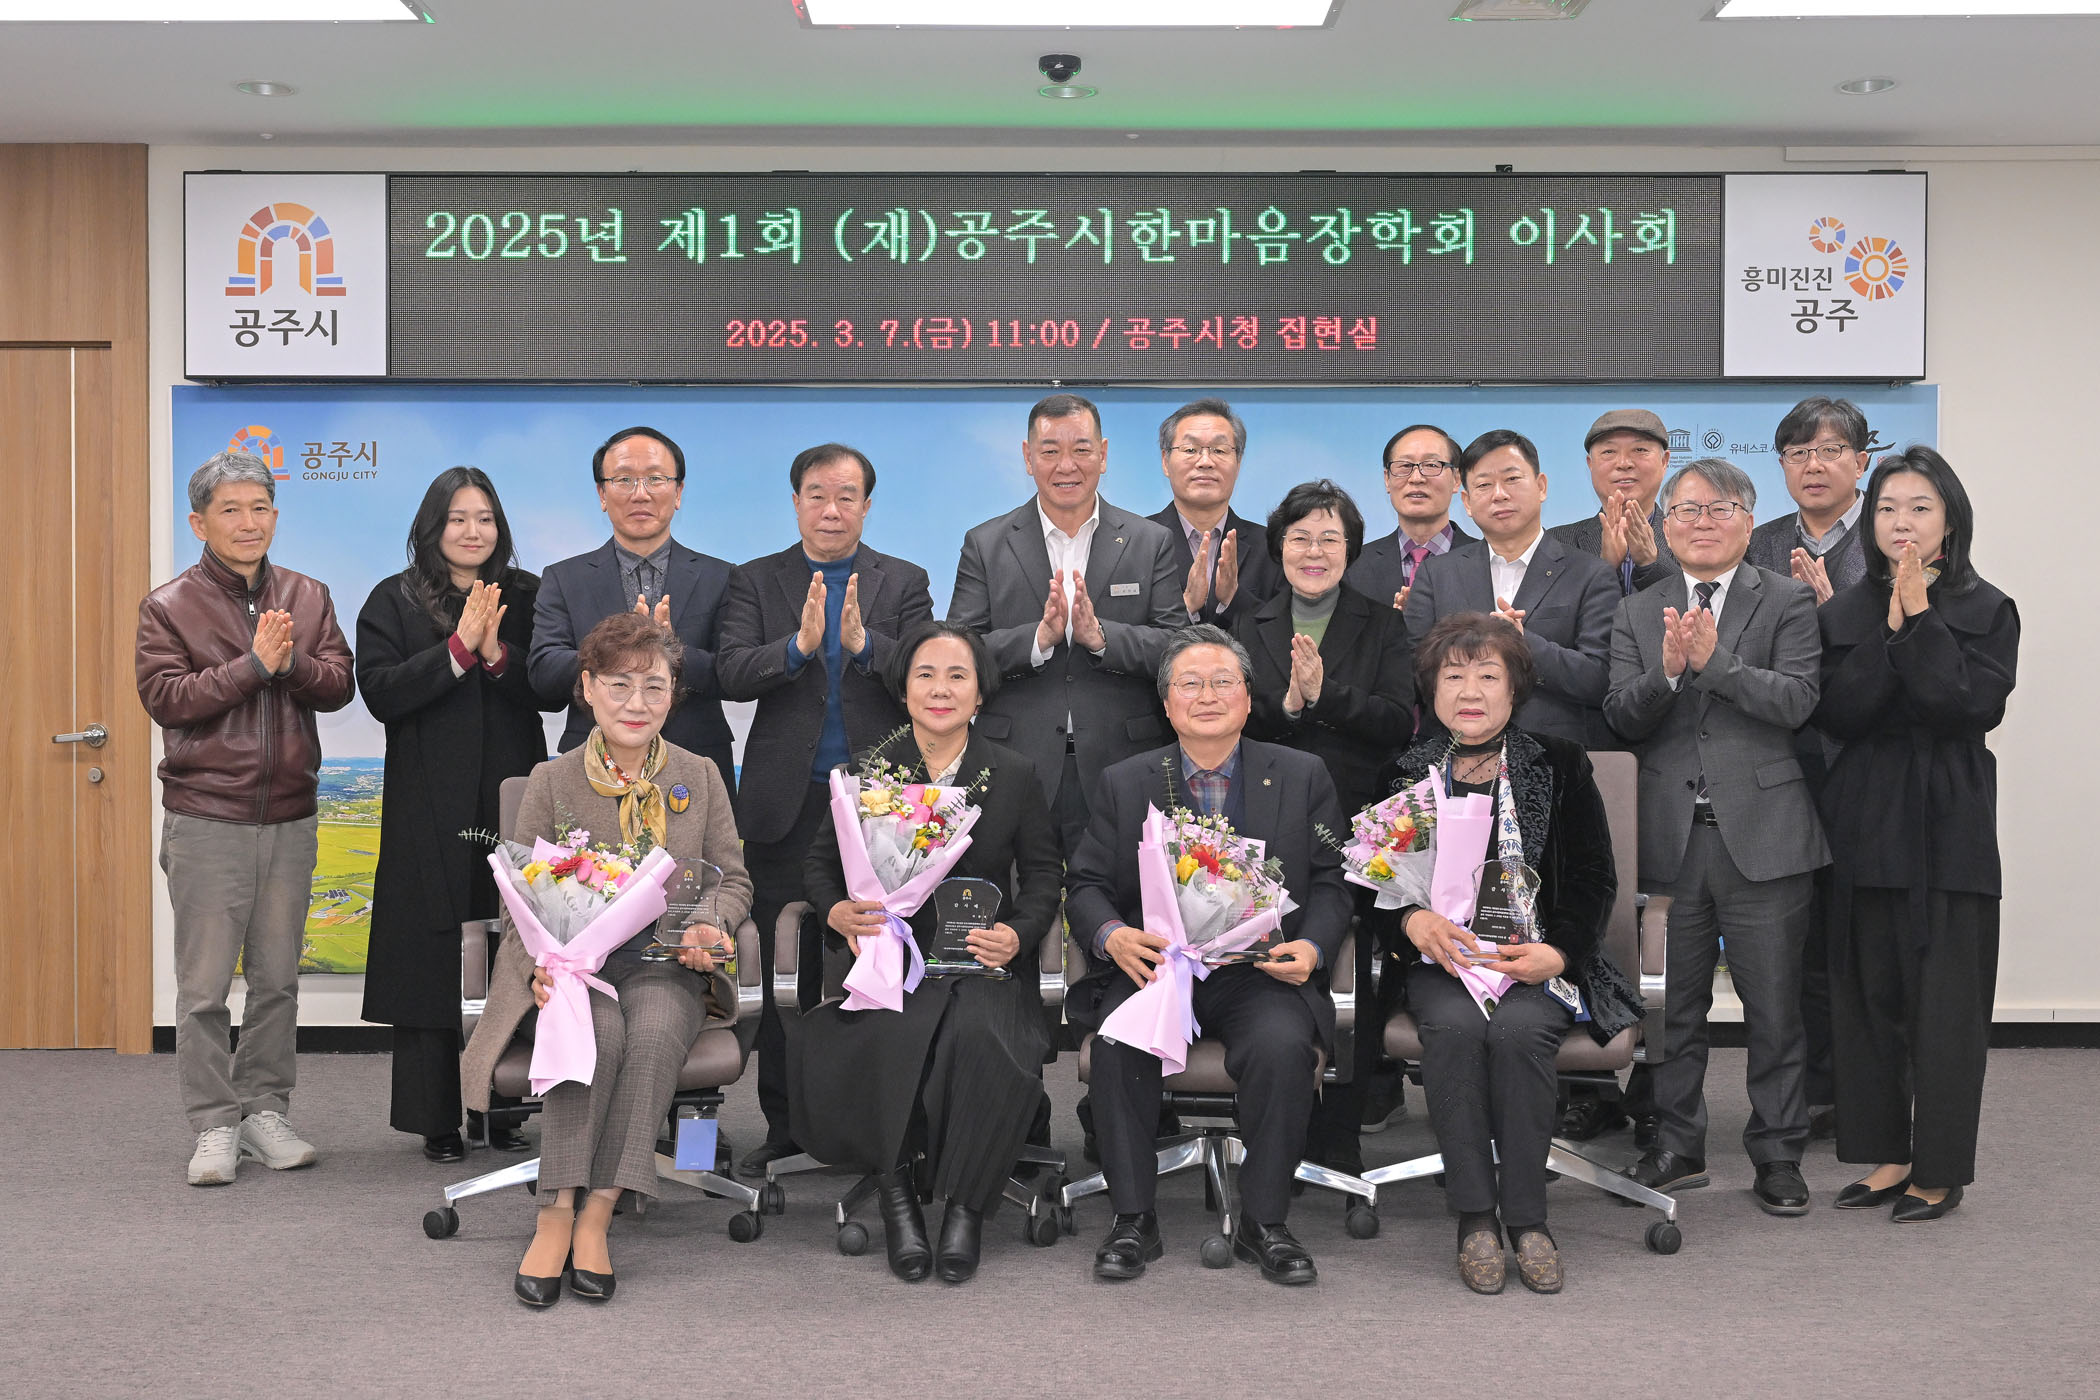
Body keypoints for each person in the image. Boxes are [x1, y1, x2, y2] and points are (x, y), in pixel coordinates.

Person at [461, 613, 751, 1308]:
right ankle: (556, 1211)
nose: (636, 702)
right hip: (574, 970)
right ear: (587, 688)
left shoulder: (700, 774)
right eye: (619, 685)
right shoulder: (552, 780)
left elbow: (733, 880)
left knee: (649, 1033)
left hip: (668, 965)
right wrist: (539, 965)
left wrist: (710, 923)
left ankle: (598, 1212)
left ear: (674, 695)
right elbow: (519, 897)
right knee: (595, 1031)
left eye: (654, 686)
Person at [1067, 626, 1352, 1287]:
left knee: (1282, 1047)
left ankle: (1265, 1222)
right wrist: (1111, 935)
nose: (1206, 696)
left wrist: (1313, 946)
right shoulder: (1123, 782)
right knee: (1118, 1045)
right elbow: (1084, 885)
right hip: (1157, 970)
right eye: (1189, 684)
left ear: (1248, 698)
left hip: (1259, 973)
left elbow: (1334, 880)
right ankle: (1133, 1219)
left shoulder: (1302, 775)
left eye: (1223, 682)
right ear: (1166, 703)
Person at [790, 621, 1064, 1284]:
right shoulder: (867, 772)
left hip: (980, 963)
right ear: (904, 689)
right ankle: (897, 1196)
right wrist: (835, 910)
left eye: (957, 676)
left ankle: (966, 1207)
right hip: (888, 964)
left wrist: (1018, 934)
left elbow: (1044, 875)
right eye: (926, 675)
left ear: (980, 693)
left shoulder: (1014, 773)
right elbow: (820, 867)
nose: (941, 689)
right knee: (890, 1029)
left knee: (979, 1033)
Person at [1384, 613, 1642, 1294]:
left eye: (1487, 675)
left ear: (1515, 687)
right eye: (1453, 675)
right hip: (1443, 962)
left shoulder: (1559, 762)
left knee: (1521, 1032)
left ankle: (1528, 1219)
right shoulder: (1406, 772)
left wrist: (1559, 952)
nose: (1469, 691)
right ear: (1432, 690)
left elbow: (1594, 878)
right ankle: (1474, 1217)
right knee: (1454, 1030)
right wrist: (1411, 921)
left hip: (1533, 958)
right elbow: (1370, 886)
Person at [1603, 459, 1826, 1216]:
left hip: (1766, 834)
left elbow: (1797, 701)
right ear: (1664, 525)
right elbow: (1619, 716)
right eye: (1687, 509)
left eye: (1720, 508)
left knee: (1775, 1007)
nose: (1703, 521)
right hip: (1669, 838)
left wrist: (1714, 665)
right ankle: (1677, 1144)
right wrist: (1667, 674)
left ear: (1748, 521)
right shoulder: (1638, 609)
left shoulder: (1787, 599)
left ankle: (1779, 1152)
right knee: (1673, 1008)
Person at [136, 449, 355, 1186]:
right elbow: (167, 698)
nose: (248, 522)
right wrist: (254, 665)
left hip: (290, 817)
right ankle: (213, 1123)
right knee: (202, 990)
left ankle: (265, 1109)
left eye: (259, 508)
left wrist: (289, 664)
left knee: (277, 980)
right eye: (230, 510)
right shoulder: (168, 605)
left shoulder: (308, 595)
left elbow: (338, 685)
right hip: (207, 817)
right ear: (199, 522)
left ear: (275, 516)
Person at [715, 442, 934, 1174]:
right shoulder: (755, 580)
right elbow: (730, 671)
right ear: (796, 502)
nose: (831, 509)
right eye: (817, 494)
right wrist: (797, 647)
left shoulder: (904, 580)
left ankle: (885, 1121)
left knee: (883, 959)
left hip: (882, 809)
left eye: (846, 496)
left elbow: (928, 671)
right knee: (790, 969)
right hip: (788, 803)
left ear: (867, 506)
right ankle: (788, 1127)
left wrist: (866, 646)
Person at [1813, 448, 2017, 1224]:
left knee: (1946, 1008)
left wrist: (1922, 619)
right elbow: (1840, 713)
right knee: (1868, 998)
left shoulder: (1988, 608)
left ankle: (1939, 1169)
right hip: (1864, 815)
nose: (1902, 521)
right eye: (1889, 508)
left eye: (1921, 508)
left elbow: (1965, 707)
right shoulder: (1842, 611)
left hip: (1948, 820)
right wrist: (1889, 628)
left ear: (1950, 521)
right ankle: (1887, 1155)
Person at [356, 467, 551, 1163]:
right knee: (432, 949)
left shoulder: (527, 595)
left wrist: (497, 654)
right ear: (432, 527)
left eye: (485, 518)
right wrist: (458, 652)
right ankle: (435, 1116)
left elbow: (551, 688)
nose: (473, 532)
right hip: (428, 801)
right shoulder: (395, 598)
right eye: (458, 519)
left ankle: (504, 1106)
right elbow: (380, 692)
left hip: (511, 795)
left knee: (514, 943)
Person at [1232, 479, 1413, 1174]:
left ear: (1350, 550)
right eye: (1300, 537)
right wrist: (1286, 704)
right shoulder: (1247, 621)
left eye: (1329, 539)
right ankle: (1270, 1127)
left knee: (1349, 969)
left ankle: (1339, 1136)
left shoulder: (1384, 624)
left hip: (1355, 821)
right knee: (1266, 962)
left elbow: (1397, 723)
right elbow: (1227, 718)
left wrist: (1325, 695)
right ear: (1279, 548)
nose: (1314, 551)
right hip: (1262, 819)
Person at [949, 392, 1184, 859]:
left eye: (1081, 449)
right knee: (1016, 893)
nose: (1066, 466)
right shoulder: (986, 543)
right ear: (1027, 457)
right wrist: (1037, 640)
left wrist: (1103, 639)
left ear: (1103, 454)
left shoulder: (1149, 540)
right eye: (1050, 451)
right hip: (1014, 758)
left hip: (1122, 758)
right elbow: (959, 652)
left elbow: (1177, 648)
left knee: (1119, 890)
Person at [1746, 396, 1877, 1139]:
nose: (1814, 465)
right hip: (1779, 764)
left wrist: (1835, 614)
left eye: (1830, 450)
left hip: (1864, 767)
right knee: (1793, 941)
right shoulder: (1759, 542)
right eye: (1798, 452)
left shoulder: (1891, 544)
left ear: (1862, 462)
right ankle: (1813, 1089)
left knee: (1859, 935)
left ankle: (1869, 1091)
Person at [530, 425, 737, 797]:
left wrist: (671, 652)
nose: (640, 493)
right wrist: (614, 657)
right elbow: (543, 671)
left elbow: (733, 674)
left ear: (678, 492)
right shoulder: (564, 578)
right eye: (624, 480)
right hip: (590, 767)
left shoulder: (720, 576)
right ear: (602, 494)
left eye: (655, 479)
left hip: (695, 765)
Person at [1406, 429, 1619, 748]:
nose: (1499, 494)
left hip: (1551, 756)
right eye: (1483, 485)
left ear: (1541, 486)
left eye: (1512, 479)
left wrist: (1522, 642)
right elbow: (1414, 672)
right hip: (1453, 753)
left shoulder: (1590, 573)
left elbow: (1599, 679)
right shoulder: (1437, 574)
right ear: (1467, 502)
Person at [1147, 397, 1279, 626]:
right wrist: (1187, 606)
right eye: (1190, 449)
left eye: (1219, 450)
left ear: (1238, 462)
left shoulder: (1272, 548)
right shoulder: (1136, 544)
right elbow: (1129, 635)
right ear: (1165, 461)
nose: (1205, 461)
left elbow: (1279, 632)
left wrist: (1233, 598)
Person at [1345, 423, 1476, 612]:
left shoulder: (1487, 562)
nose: (1416, 478)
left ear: (1457, 479)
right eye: (1405, 466)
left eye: (1431, 465)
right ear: (1387, 479)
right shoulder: (1354, 565)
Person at [1549, 408, 1678, 597]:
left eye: (1640, 450)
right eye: (1609, 451)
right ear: (1590, 464)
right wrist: (1604, 567)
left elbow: (1703, 605)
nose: (1624, 463)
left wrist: (1652, 563)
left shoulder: (1693, 537)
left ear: (1664, 461)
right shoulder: (1556, 543)